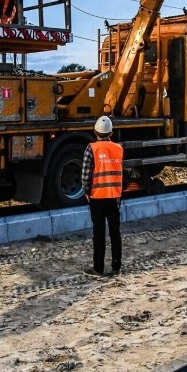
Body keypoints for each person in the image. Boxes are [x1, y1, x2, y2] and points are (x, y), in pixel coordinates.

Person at [81, 116, 124, 277]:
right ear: (111, 133)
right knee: (115, 233)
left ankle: (98, 269)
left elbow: (86, 175)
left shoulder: (91, 149)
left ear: (95, 132)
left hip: (97, 198)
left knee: (98, 234)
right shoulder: (118, 149)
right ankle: (116, 267)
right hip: (114, 198)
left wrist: (86, 192)